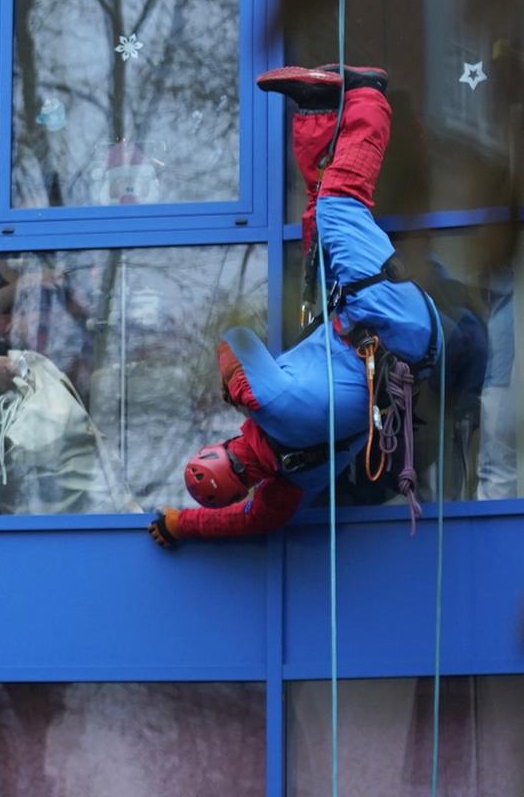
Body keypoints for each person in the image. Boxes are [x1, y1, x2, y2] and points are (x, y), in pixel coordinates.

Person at [150, 64, 435, 546]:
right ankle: (368, 96)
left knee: (314, 229)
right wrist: (231, 387)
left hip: (387, 339)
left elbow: (253, 520)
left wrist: (181, 524)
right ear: (224, 447)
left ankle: (319, 111)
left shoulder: (295, 478)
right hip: (385, 321)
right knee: (338, 206)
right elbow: (235, 340)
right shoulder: (266, 404)